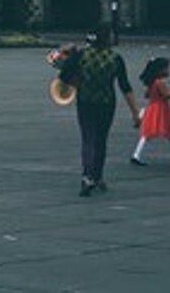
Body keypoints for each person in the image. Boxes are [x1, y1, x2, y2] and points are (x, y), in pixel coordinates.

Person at [59, 24, 141, 196]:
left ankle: (87, 175)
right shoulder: (115, 58)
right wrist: (135, 112)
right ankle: (97, 176)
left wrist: (78, 81)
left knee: (88, 138)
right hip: (106, 103)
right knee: (101, 139)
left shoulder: (81, 55)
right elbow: (125, 86)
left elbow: (64, 77)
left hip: (85, 101)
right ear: (107, 39)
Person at [129, 57, 170, 166]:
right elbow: (166, 96)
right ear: (160, 70)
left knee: (147, 134)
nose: (168, 71)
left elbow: (147, 95)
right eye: (166, 68)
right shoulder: (160, 82)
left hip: (153, 108)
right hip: (162, 109)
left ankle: (136, 154)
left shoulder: (152, 82)